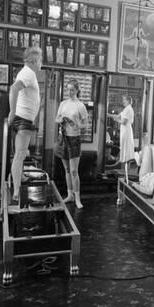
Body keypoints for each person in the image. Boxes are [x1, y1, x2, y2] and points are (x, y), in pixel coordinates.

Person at [8, 46, 42, 203]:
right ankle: (16, 191)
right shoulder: (28, 73)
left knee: (21, 153)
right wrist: (12, 111)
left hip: (23, 119)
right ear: (34, 61)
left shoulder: (27, 73)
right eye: (40, 59)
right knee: (20, 154)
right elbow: (14, 89)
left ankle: (20, 177)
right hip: (22, 119)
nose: (41, 63)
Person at [55, 79, 88, 209]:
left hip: (74, 139)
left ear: (77, 90)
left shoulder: (80, 106)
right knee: (67, 170)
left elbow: (85, 125)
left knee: (74, 171)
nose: (69, 92)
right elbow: (56, 118)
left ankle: (78, 199)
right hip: (63, 138)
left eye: (72, 90)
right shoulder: (63, 104)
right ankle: (70, 195)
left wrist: (77, 124)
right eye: (68, 89)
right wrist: (60, 120)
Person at [108, 94, 135, 175]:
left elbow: (123, 122)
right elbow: (117, 116)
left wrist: (116, 120)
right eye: (123, 100)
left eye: (124, 100)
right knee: (124, 148)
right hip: (124, 130)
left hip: (126, 131)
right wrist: (107, 115)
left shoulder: (129, 109)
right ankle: (124, 169)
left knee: (126, 149)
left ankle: (126, 171)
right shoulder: (126, 109)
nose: (123, 101)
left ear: (128, 101)